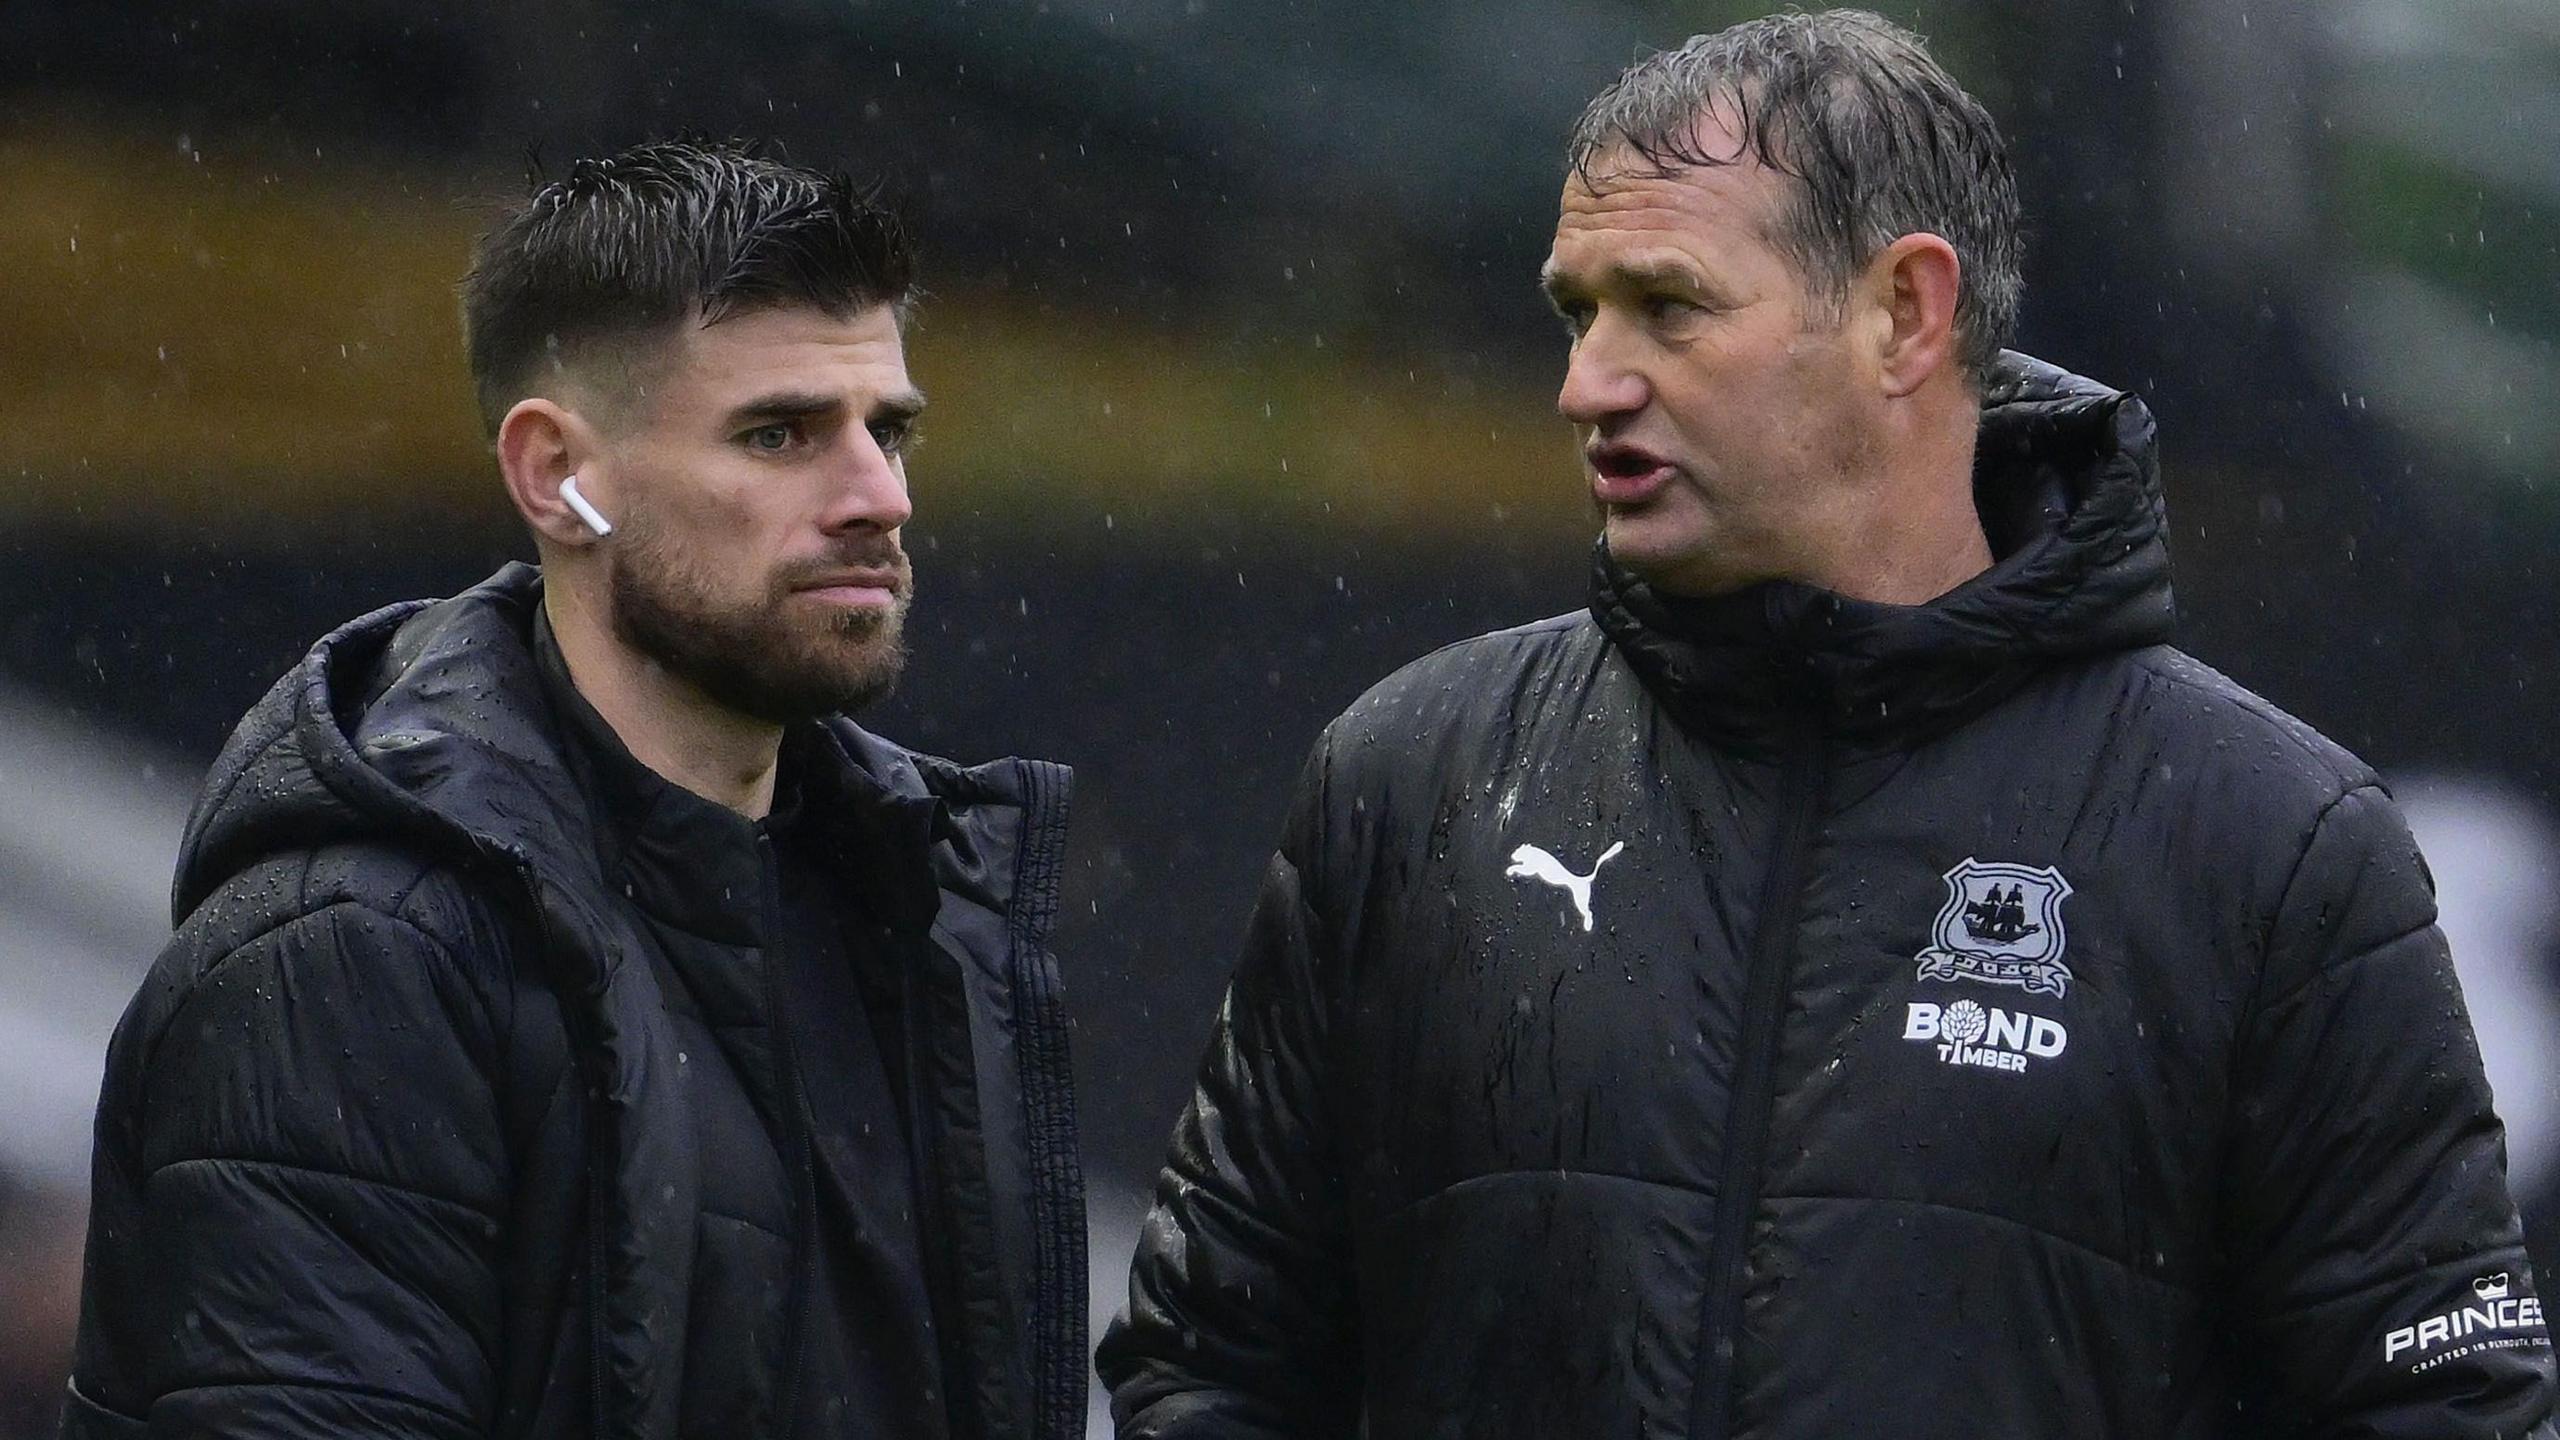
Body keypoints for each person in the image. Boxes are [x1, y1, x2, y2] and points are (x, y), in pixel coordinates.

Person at [1098, 11, 2557, 1437]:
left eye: (1667, 306)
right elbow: (1209, 1361)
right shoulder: (1412, 780)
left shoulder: (2276, 844)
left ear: (1905, 315)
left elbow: (2443, 1409)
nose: (1586, 384)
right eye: (1576, 311)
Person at [62, 140, 1086, 1440]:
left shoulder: (926, 922)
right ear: (557, 476)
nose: (879, 498)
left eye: (890, 432)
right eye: (779, 434)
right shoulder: (353, 963)